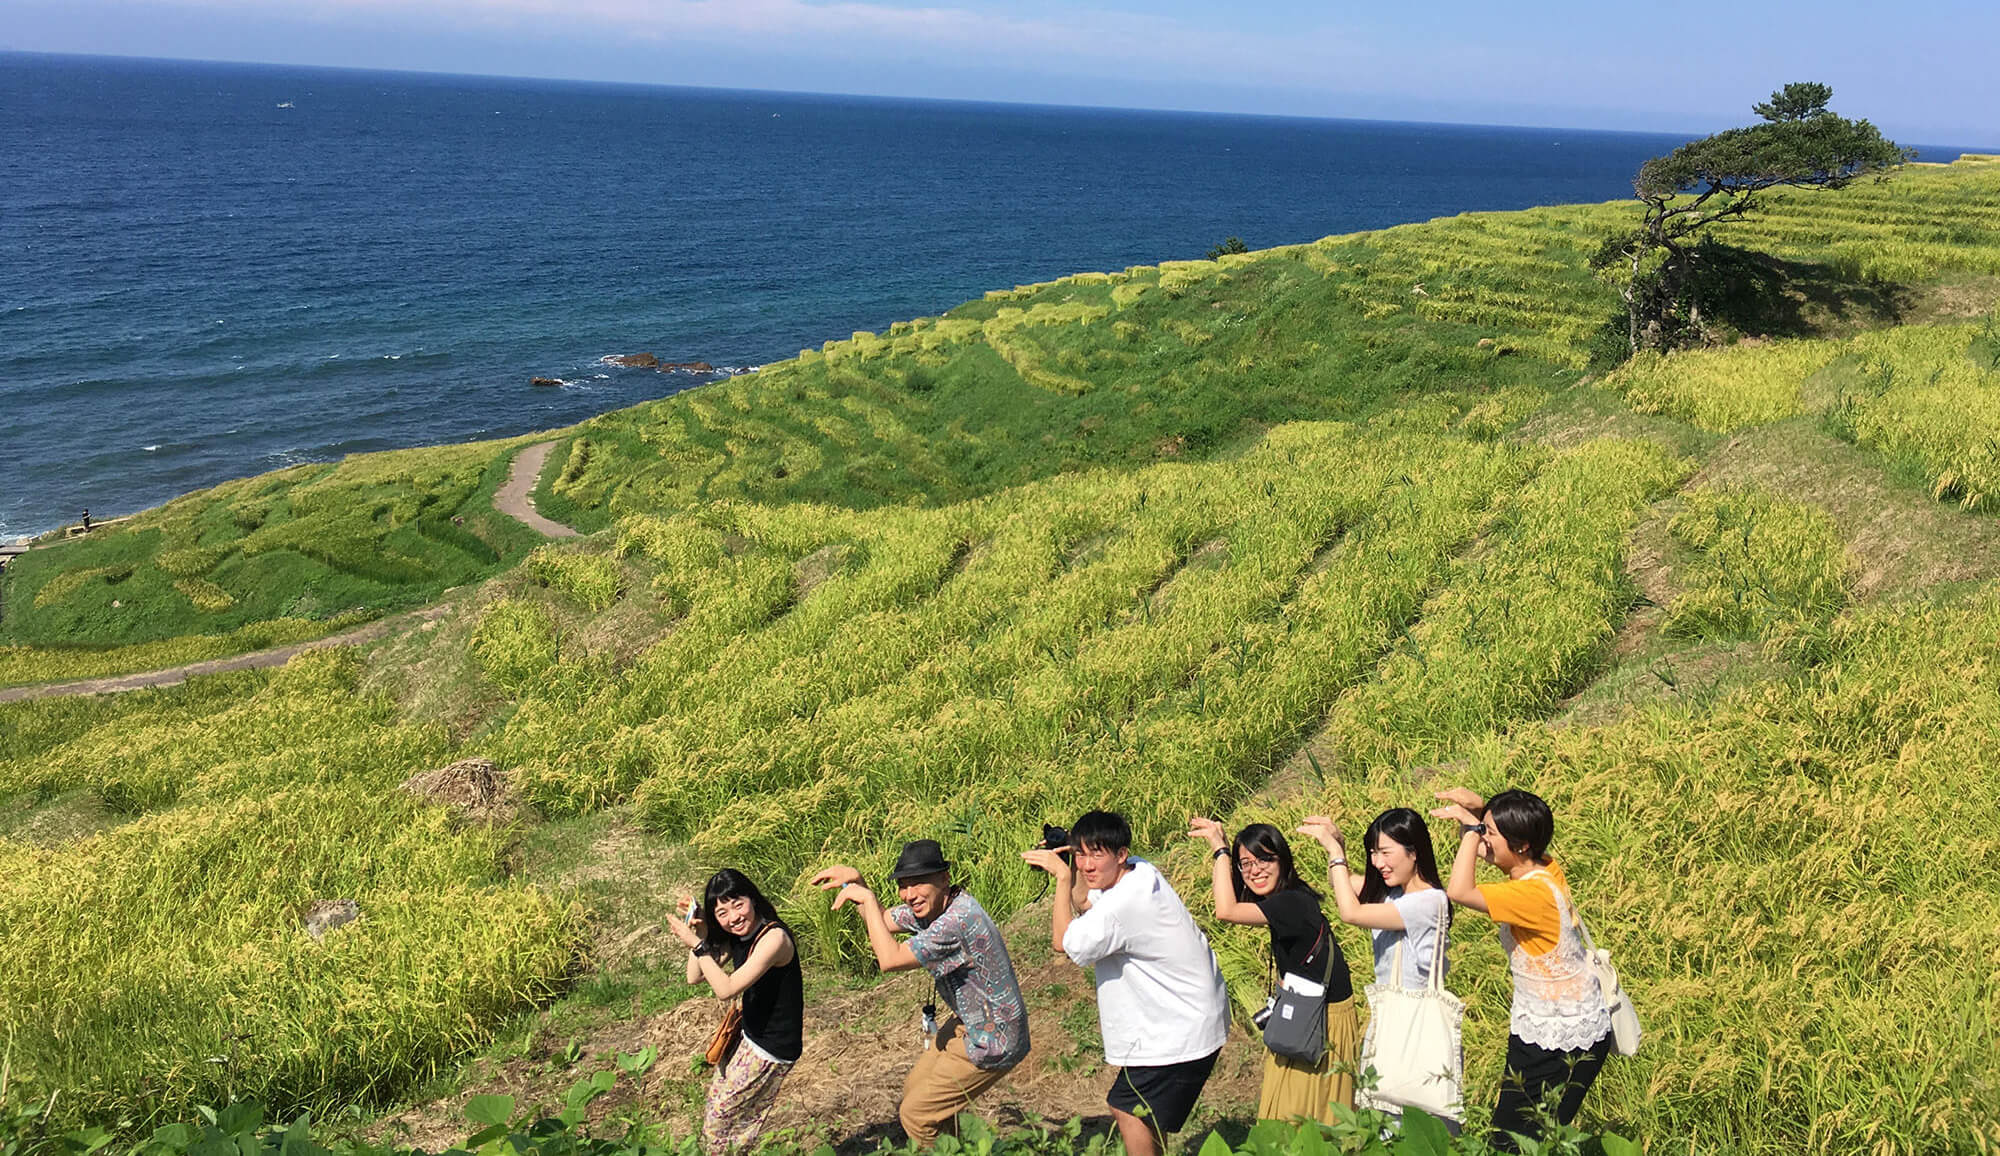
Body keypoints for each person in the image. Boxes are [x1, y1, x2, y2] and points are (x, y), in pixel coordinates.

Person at [1023, 811, 1228, 1156]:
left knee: (1126, 1107)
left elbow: (1063, 941)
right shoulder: (1140, 871)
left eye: (1096, 855)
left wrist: (1061, 878)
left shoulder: (1123, 905)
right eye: (1080, 854)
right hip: (1184, 1016)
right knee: (1141, 1114)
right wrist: (1072, 865)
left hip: (1180, 1027)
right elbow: (1085, 901)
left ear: (1120, 854)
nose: (1087, 865)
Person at [810, 840, 1031, 1145]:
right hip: (969, 1021)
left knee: (917, 1115)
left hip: (995, 1036)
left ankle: (947, 1151)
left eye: (917, 883)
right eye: (903, 885)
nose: (909, 894)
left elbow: (890, 960)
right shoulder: (939, 905)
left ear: (944, 879)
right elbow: (883, 922)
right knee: (915, 1088)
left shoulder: (958, 920)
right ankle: (956, 1147)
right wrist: (856, 883)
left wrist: (868, 897)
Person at [1430, 787, 1610, 1151]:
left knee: (1512, 1142)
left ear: (1522, 845)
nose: (1484, 838)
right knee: (1538, 1137)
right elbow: (1510, 848)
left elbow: (1459, 890)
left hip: (1556, 1039)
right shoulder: (1543, 867)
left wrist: (1470, 832)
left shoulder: (1530, 895)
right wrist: (1486, 812)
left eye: (1490, 832)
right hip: (1571, 1027)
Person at [1188, 817, 1356, 1124]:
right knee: (1301, 1110)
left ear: (1283, 860)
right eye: (1246, 864)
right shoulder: (1290, 899)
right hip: (1311, 1015)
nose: (1255, 870)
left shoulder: (1291, 903)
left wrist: (1220, 850)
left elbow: (1225, 910)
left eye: (1265, 858)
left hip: (1321, 1021)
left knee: (1301, 1115)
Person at [1299, 809, 1454, 1129]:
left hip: (1416, 1028)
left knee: (1417, 1126)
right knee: (1386, 1123)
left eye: (1385, 852)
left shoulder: (1428, 902)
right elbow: (1343, 883)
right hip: (1392, 1023)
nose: (1377, 862)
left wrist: (1336, 853)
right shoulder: (1394, 895)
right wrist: (1338, 844)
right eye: (1373, 852)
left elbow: (1350, 912)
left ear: (1414, 852)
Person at [663, 868, 804, 1156]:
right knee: (718, 1115)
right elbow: (695, 976)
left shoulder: (773, 939)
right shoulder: (737, 933)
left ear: (753, 899)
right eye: (722, 912)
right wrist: (701, 933)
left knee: (722, 1123)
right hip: (749, 1036)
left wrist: (696, 945)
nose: (734, 917)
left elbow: (726, 989)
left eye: (738, 904)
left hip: (771, 1046)